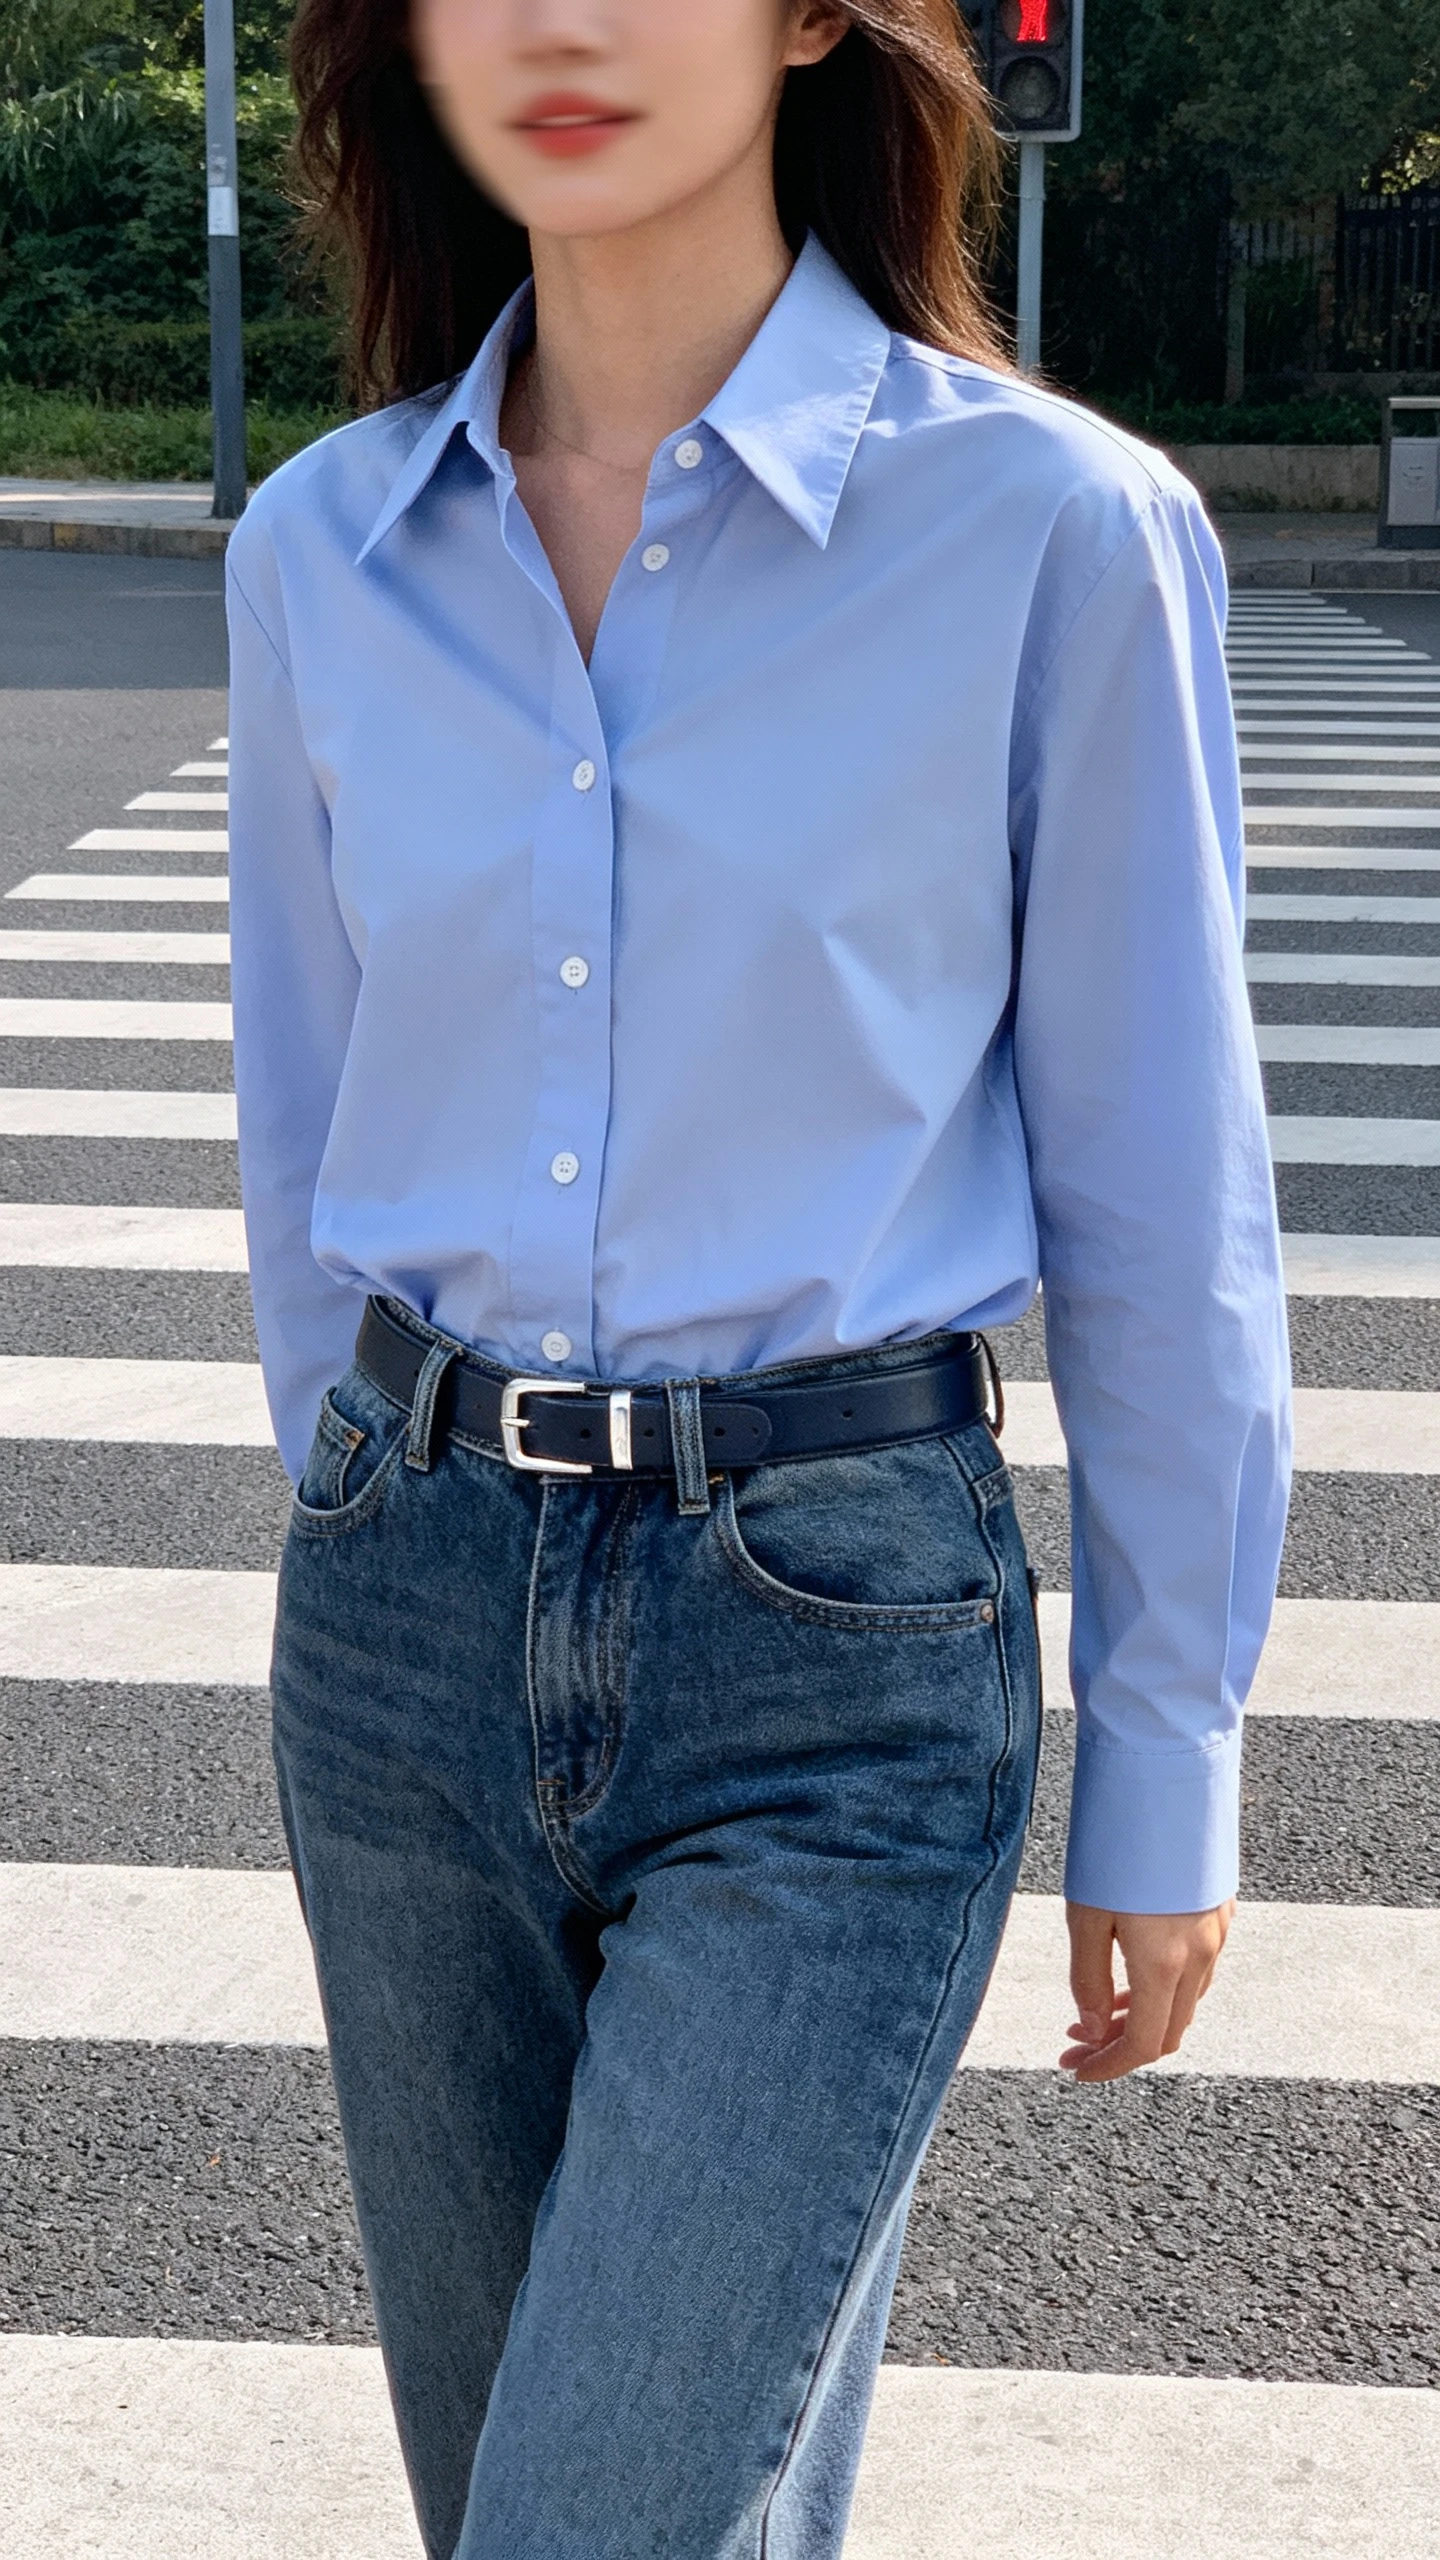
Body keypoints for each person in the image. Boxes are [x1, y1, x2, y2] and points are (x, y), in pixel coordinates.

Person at [224, 3, 1291, 2554]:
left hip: (833, 1641)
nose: (560, 23)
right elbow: (306, 1115)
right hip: (407, 1628)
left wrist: (1170, 1744)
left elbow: (1167, 1191)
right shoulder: (322, 551)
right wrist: (362, 1503)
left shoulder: (1054, 531)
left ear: (813, 13)